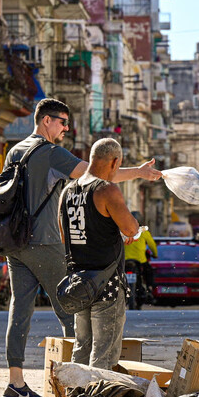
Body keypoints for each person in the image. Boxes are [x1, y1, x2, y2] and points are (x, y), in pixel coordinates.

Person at [0, 98, 161, 397]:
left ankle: (16, 382)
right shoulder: (49, 153)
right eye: (62, 121)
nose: (65, 128)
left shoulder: (14, 151)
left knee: (19, 310)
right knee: (73, 306)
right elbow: (97, 174)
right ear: (45, 121)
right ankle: (77, 389)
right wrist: (138, 172)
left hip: (15, 242)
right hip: (44, 241)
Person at [59, 138, 140, 370]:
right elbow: (131, 229)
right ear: (115, 162)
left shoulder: (67, 191)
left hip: (79, 283)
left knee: (82, 347)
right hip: (107, 284)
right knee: (104, 353)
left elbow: (64, 237)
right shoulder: (106, 189)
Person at [124, 211, 158, 297]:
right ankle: (149, 289)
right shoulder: (144, 232)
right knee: (149, 272)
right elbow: (152, 245)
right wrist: (155, 254)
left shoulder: (124, 230)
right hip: (140, 260)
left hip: (124, 260)